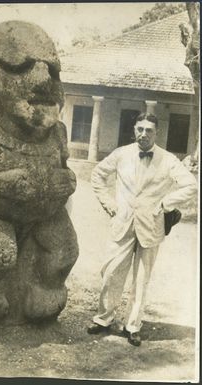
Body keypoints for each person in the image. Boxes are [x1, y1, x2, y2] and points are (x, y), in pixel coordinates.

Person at [87, 112, 197, 346]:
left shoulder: (168, 160)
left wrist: (166, 204)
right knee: (112, 272)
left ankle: (132, 326)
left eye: (149, 130)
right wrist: (110, 204)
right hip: (123, 222)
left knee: (142, 278)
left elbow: (191, 185)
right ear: (134, 130)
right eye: (140, 129)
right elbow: (97, 175)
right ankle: (103, 319)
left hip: (151, 225)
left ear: (157, 133)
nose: (143, 134)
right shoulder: (121, 154)